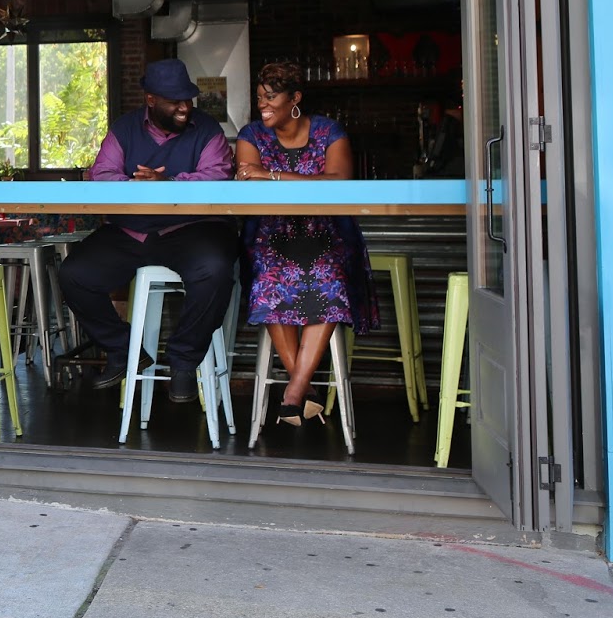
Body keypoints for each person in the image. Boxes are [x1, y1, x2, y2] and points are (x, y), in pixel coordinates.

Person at [57, 59, 238, 403]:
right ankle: (124, 350)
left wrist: (167, 183)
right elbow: (102, 174)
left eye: (188, 99)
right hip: (132, 231)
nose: (184, 107)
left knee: (215, 270)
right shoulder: (124, 129)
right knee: (74, 274)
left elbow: (217, 175)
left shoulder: (207, 129)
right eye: (174, 101)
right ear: (151, 100)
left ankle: (183, 361)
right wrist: (135, 185)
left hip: (192, 229)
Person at [235, 62, 379, 425]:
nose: (263, 105)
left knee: (329, 278)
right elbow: (249, 185)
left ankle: (294, 390)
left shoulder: (329, 131)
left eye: (271, 97)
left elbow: (338, 182)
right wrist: (297, 180)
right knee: (269, 278)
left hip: (326, 232)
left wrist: (272, 175)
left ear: (295, 98)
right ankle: (304, 389)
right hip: (272, 232)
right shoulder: (251, 135)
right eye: (259, 97)